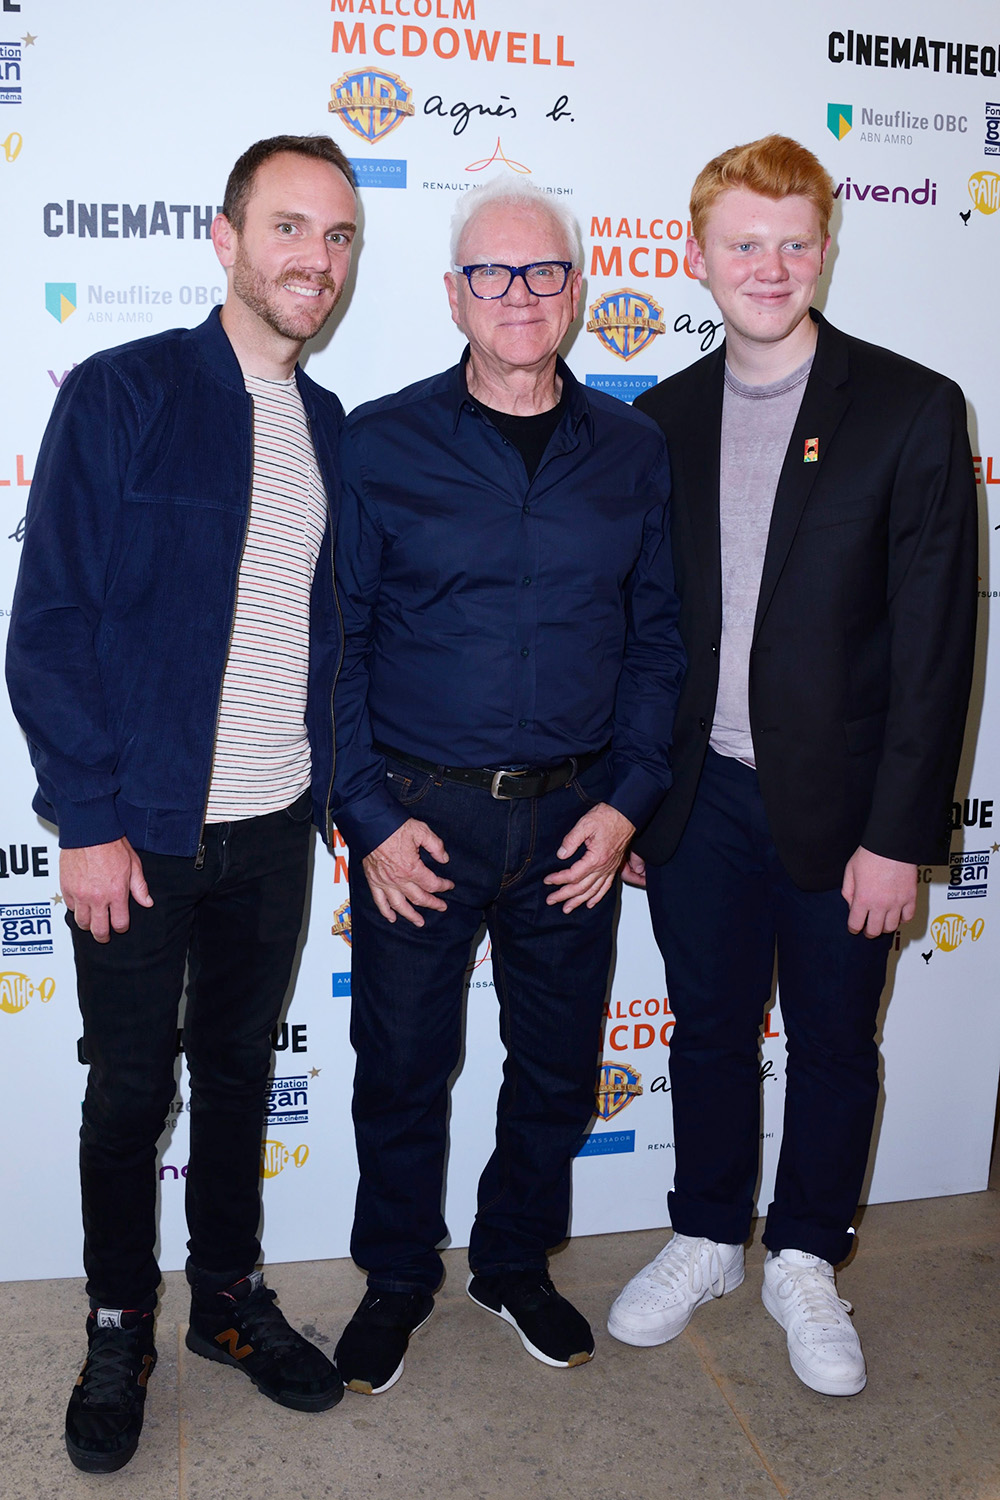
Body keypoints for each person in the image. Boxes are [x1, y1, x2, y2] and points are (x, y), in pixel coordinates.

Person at [6, 134, 359, 1472]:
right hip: (137, 837)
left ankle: (224, 1302)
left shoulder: (329, 425)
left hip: (274, 827)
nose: (314, 259)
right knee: (126, 1092)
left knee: (235, 1074)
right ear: (226, 239)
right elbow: (46, 632)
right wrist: (88, 823)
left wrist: (333, 793)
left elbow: (321, 632)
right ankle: (116, 1321)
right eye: (288, 228)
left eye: (335, 237)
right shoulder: (122, 393)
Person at [607, 135, 978, 1397]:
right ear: (696, 256)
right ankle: (710, 1232)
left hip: (846, 812)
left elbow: (938, 646)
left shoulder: (912, 408)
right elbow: (645, 634)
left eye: (794, 241)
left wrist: (900, 834)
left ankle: (807, 1257)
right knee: (707, 1032)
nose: (769, 266)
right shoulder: (654, 420)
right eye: (742, 243)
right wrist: (641, 806)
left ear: (827, 246)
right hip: (699, 800)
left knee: (830, 1044)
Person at [331, 177, 685, 1394]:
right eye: (493, 273)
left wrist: (627, 800)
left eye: (543, 273)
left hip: (575, 822)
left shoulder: (633, 451)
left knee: (551, 1063)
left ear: (578, 290)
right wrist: (367, 817)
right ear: (453, 295)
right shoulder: (378, 442)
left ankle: (514, 1262)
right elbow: (337, 648)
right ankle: (393, 1276)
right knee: (402, 1061)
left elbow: (656, 648)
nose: (520, 295)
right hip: (418, 817)